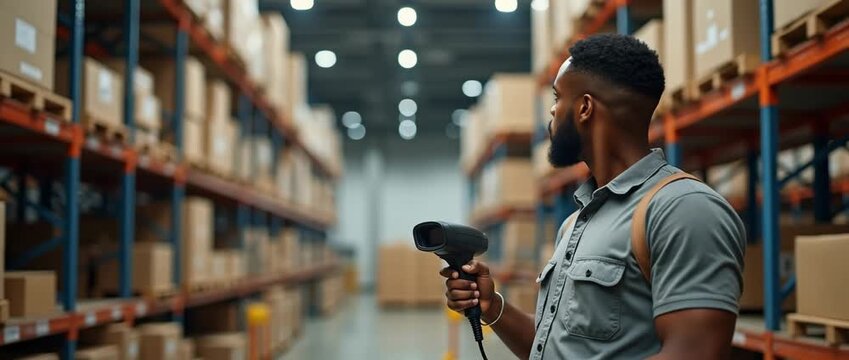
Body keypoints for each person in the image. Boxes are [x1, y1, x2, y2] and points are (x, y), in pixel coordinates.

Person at [440, 33, 746, 359]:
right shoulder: (576, 222)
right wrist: (492, 306)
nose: (552, 114)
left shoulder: (684, 210)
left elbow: (694, 353)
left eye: (558, 99)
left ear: (585, 108)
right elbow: (558, 348)